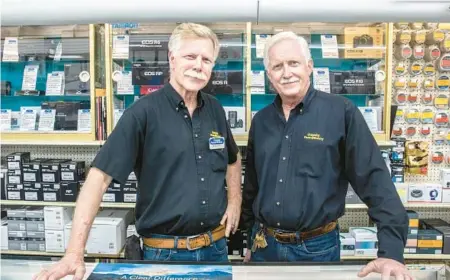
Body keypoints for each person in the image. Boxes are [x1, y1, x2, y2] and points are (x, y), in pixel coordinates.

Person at [33, 23, 242, 280]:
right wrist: (74, 253)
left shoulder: (215, 110)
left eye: (206, 59)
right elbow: (97, 181)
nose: (199, 65)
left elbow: (233, 159)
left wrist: (234, 201)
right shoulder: (142, 113)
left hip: (216, 250)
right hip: (165, 257)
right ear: (172, 58)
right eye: (191, 56)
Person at [240, 31, 412, 279]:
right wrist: (248, 240)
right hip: (263, 245)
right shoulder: (262, 121)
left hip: (316, 249)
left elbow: (376, 181)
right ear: (269, 75)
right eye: (277, 66)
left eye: (293, 63)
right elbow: (253, 187)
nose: (286, 72)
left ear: (309, 66)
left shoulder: (341, 112)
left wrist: (392, 252)